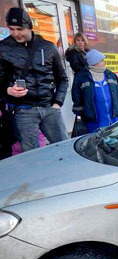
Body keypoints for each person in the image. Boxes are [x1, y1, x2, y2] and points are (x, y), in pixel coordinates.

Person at [0, 7, 69, 153]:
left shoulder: (48, 47)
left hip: (50, 107)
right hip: (24, 110)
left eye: (19, 28)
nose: (15, 33)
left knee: (64, 148)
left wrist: (58, 103)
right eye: (11, 29)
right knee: (31, 155)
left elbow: (62, 78)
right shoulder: (3, 48)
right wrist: (8, 90)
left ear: (29, 26)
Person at [71, 49, 118, 133]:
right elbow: (76, 96)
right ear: (94, 62)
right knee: (97, 142)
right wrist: (82, 114)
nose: (104, 63)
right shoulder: (82, 77)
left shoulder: (110, 74)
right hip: (94, 121)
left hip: (113, 118)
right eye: (101, 61)